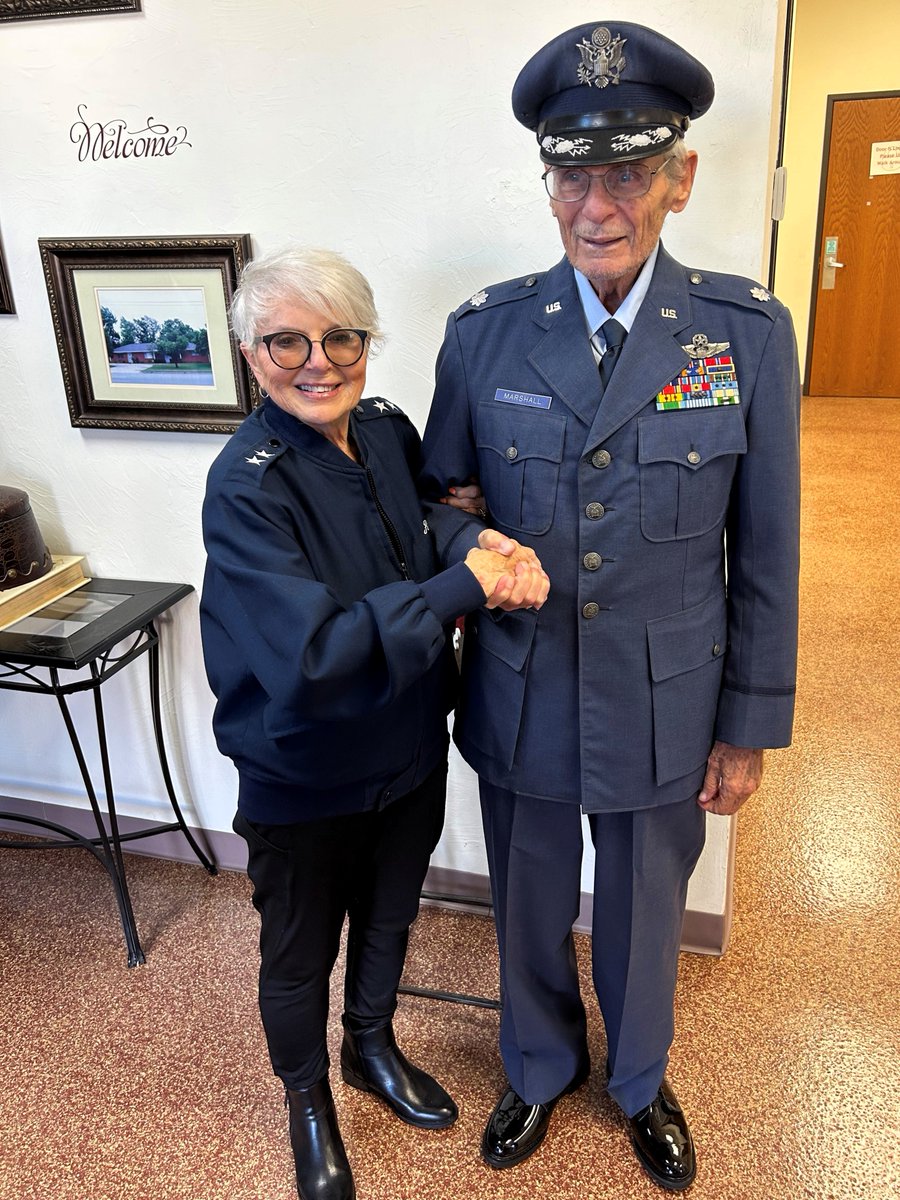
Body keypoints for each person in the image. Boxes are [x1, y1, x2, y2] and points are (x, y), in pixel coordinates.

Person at [419, 21, 800, 1192]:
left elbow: (772, 545)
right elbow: (436, 502)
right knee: (529, 894)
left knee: (644, 904)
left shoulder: (742, 336)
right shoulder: (484, 336)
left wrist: (750, 720)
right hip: (522, 682)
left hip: (665, 690)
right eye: (574, 176)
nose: (600, 205)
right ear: (547, 185)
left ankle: (640, 1081)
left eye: (628, 172)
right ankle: (536, 1069)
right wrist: (474, 536)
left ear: (679, 180)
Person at [199, 246, 548, 1200]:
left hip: (405, 743)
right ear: (249, 352)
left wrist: (475, 540)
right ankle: (308, 1101)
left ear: (367, 342)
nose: (318, 361)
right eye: (286, 341)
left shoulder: (384, 431)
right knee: (299, 948)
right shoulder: (247, 484)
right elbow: (311, 655)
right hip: (303, 768)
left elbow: (425, 518)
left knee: (393, 913)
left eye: (341, 336)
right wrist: (459, 585)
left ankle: (371, 1047)